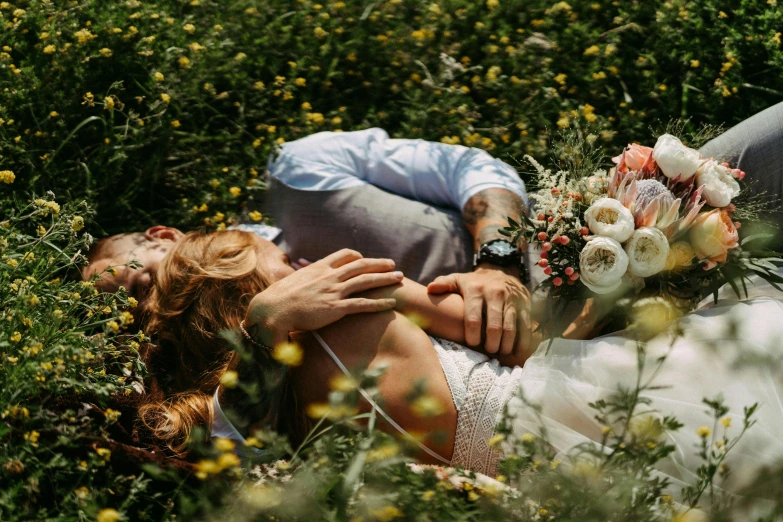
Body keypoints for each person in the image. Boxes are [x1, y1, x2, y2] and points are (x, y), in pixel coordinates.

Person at [139, 228, 783, 502]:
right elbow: (523, 341)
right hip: (563, 392)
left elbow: (214, 434)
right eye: (273, 256)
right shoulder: (348, 295)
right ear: (250, 276)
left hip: (536, 470)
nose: (295, 260)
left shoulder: (257, 414)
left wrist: (265, 323)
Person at [84, 128, 534, 356]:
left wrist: (498, 261)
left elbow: (468, 168)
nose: (150, 310)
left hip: (547, 259)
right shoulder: (243, 346)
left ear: (162, 236)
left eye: (140, 285)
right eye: (135, 318)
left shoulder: (301, 169)